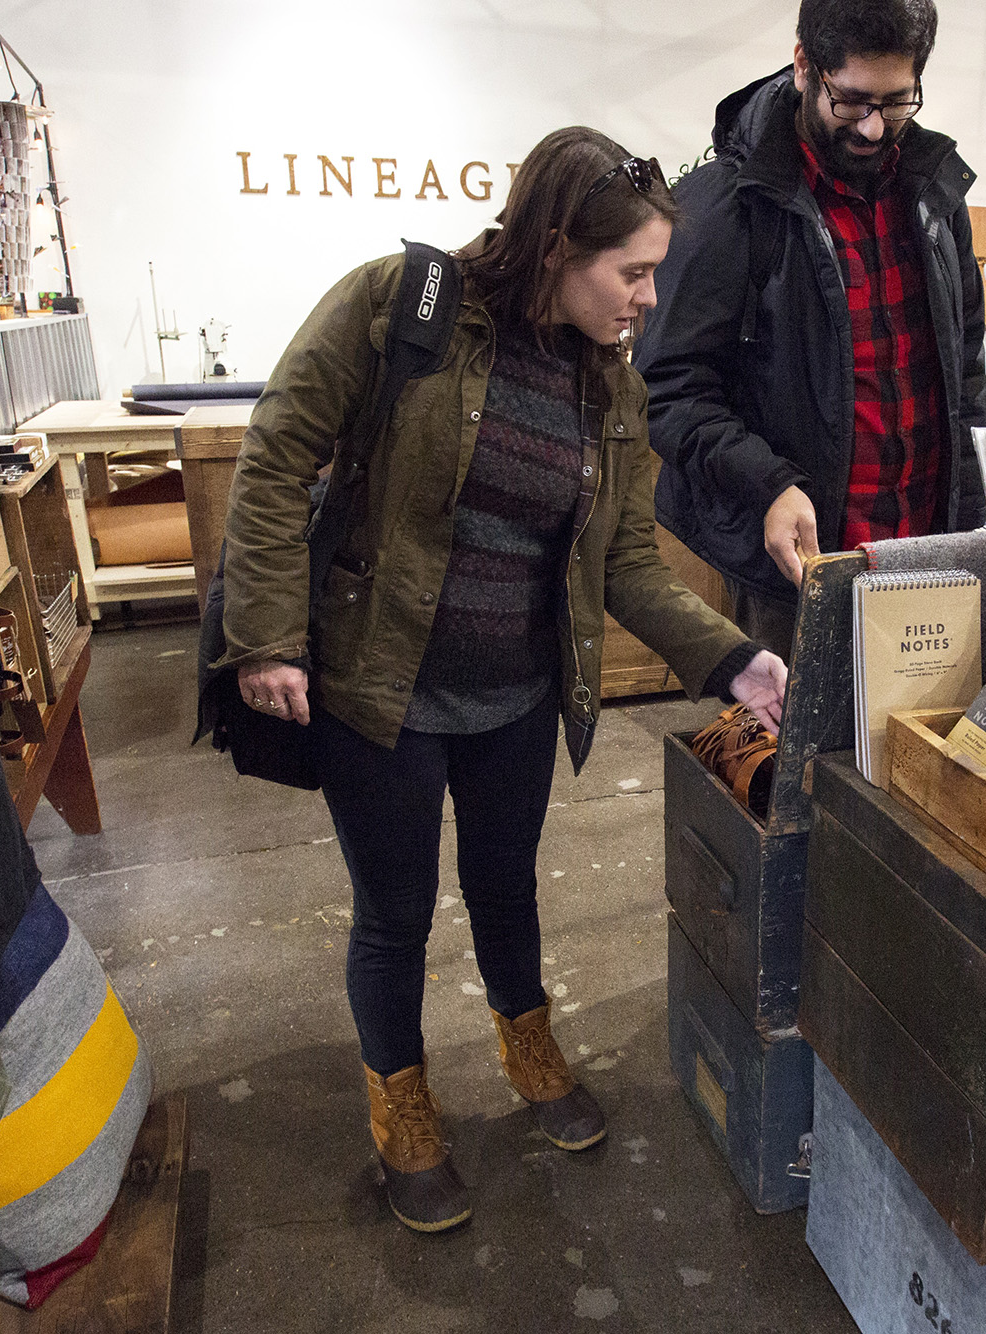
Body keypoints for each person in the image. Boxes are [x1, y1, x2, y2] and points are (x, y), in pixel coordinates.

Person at [214, 128, 787, 1234]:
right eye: (632, 272)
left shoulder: (608, 383)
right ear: (558, 247)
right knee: (392, 914)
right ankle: (401, 1105)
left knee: (507, 882)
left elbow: (619, 563)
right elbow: (279, 454)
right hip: (380, 689)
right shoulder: (399, 303)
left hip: (516, 693)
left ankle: (528, 1046)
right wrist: (268, 636)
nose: (646, 298)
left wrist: (732, 656)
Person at [639, 0, 986, 656]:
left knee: (915, 752)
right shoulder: (730, 206)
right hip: (799, 572)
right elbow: (665, 388)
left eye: (898, 101)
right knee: (791, 758)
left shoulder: (935, 197)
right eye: (852, 102)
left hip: (927, 557)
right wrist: (765, 483)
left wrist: (971, 519)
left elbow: (965, 362)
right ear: (805, 65)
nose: (875, 129)